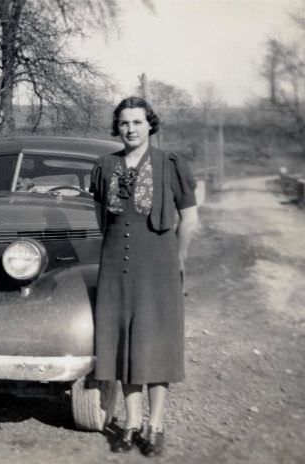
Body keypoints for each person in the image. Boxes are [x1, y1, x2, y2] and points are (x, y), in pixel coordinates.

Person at [90, 97, 199, 456]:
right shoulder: (105, 165)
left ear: (150, 124)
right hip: (115, 270)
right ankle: (131, 423)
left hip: (159, 268)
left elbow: (191, 219)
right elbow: (99, 215)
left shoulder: (171, 164)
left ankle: (156, 425)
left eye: (137, 122)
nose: (130, 129)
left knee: (156, 346)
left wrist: (178, 259)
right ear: (116, 127)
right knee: (124, 345)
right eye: (124, 123)